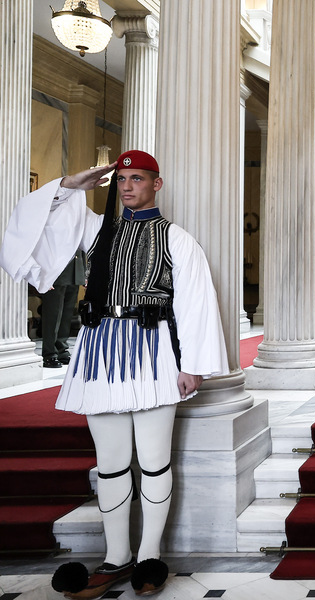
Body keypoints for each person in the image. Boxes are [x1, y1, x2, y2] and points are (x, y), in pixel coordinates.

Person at [0, 150, 228, 599]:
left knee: (154, 459)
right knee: (110, 465)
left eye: (137, 179)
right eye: (121, 179)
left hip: (153, 352)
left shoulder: (176, 239)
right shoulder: (96, 230)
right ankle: (116, 555)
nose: (126, 186)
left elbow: (195, 302)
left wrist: (192, 366)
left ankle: (149, 555)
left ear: (155, 185)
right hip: (100, 352)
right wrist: (73, 183)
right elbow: (33, 223)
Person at [39, 251, 84, 368]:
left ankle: (61, 350)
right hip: (56, 271)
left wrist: (83, 272)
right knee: (52, 314)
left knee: (66, 315)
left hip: (74, 269)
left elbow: (81, 246)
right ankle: (50, 353)